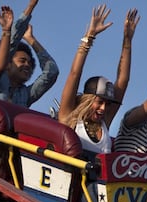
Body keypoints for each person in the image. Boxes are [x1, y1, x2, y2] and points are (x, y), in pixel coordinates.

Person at [58, 4, 140, 156]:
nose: (103, 108)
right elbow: (74, 74)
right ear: (88, 99)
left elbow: (123, 80)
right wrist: (89, 38)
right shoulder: (69, 116)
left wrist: (127, 41)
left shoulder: (104, 122)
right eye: (100, 101)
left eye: (107, 104)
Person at [0, 0, 59, 107]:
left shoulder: (26, 95)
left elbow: (52, 72)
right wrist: (31, 6)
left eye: (30, 64)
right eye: (22, 61)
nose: (27, 65)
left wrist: (31, 39)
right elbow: (12, 41)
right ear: (7, 64)